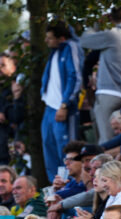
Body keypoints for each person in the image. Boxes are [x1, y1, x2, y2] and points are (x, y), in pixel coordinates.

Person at [81, 6, 121, 143]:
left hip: (108, 93)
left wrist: (97, 25)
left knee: (106, 141)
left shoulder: (113, 35)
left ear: (110, 18)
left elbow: (84, 40)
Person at [41, 21, 82, 182]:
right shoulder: (55, 52)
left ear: (62, 38)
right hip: (49, 107)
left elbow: (75, 77)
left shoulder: (71, 47)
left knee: (66, 152)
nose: (46, 41)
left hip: (63, 107)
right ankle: (56, 186)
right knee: (49, 149)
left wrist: (65, 104)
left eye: (50, 38)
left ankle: (69, 186)